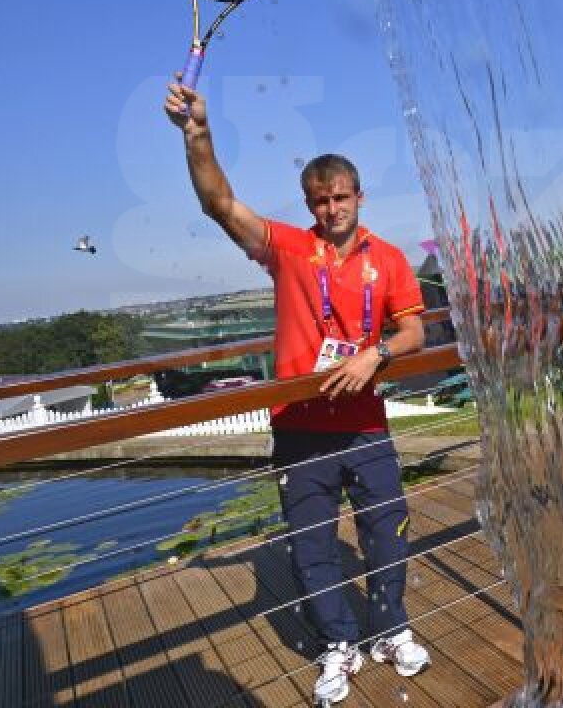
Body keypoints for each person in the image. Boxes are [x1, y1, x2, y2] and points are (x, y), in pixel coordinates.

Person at [165, 78, 431, 705]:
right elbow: (221, 205)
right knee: (312, 547)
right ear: (307, 203)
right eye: (319, 201)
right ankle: (338, 644)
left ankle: (391, 627)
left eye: (341, 198)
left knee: (385, 531)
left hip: (365, 424)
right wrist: (196, 132)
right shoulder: (289, 250)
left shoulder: (388, 259)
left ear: (359, 196)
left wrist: (379, 352)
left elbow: (414, 328)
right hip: (300, 426)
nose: (331, 210)